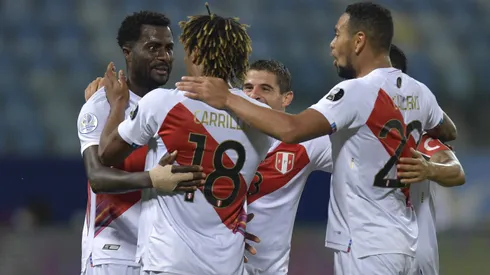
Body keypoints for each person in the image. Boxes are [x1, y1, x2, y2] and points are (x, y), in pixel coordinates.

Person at [176, 2, 458, 274]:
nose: (332, 44)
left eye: (337, 34)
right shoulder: (420, 92)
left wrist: (226, 97)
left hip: (364, 243)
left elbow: (292, 130)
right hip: (403, 242)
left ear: (358, 41)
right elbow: (448, 131)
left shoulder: (355, 92)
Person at [96, 8, 274, 275]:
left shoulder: (163, 103)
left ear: (195, 53)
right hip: (228, 264)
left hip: (169, 261)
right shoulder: (263, 120)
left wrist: (118, 103)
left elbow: (107, 155)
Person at [77, 11, 205, 275]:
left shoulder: (178, 105)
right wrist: (153, 178)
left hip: (164, 255)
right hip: (113, 252)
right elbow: (98, 177)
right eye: (153, 47)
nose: (164, 57)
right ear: (128, 52)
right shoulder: (100, 106)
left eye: (169, 48)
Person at [241, 59, 333, 274]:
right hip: (217, 263)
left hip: (268, 270)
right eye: (248, 88)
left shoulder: (305, 142)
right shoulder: (218, 135)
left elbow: (362, 159)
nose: (254, 95)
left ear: (286, 98)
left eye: (265, 89)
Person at [390, 45, 466, 275]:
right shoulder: (357, 135)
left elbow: (457, 172)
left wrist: (429, 169)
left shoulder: (418, 137)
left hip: (416, 258)